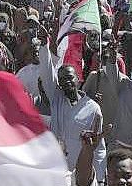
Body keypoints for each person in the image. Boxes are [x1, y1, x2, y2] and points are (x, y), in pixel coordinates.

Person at [37, 26, 106, 176]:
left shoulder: (93, 108)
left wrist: (100, 178)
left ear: (78, 79)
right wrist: (44, 45)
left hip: (80, 172)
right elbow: (47, 72)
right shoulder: (57, 99)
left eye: (69, 77)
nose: (66, 82)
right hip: (56, 169)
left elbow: (99, 147)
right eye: (62, 79)